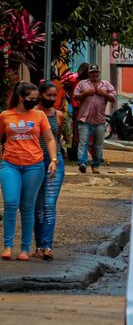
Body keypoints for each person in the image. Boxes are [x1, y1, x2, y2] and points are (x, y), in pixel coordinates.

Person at [0, 82, 58, 261]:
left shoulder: (40, 115)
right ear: (21, 97)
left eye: (36, 99)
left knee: (27, 207)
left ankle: (25, 248)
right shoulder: (5, 115)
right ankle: (8, 246)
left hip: (34, 165)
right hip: (10, 164)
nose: (34, 102)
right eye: (31, 99)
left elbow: (49, 139)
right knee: (10, 202)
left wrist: (54, 160)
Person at [32, 81, 65, 261]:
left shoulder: (58, 116)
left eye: (55, 96)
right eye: (49, 95)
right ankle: (39, 245)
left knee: (49, 204)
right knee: (36, 206)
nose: (52, 99)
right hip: (34, 162)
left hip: (55, 162)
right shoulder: (32, 114)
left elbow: (55, 139)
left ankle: (47, 246)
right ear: (40, 95)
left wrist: (53, 158)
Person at [73, 64, 116, 174]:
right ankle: (82, 163)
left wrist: (104, 93)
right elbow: (75, 96)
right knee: (83, 142)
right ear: (89, 73)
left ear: (99, 73)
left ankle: (96, 165)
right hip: (84, 119)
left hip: (99, 120)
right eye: (92, 72)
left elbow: (113, 98)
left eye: (96, 72)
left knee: (98, 144)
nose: (94, 74)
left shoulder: (106, 85)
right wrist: (85, 93)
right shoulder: (82, 84)